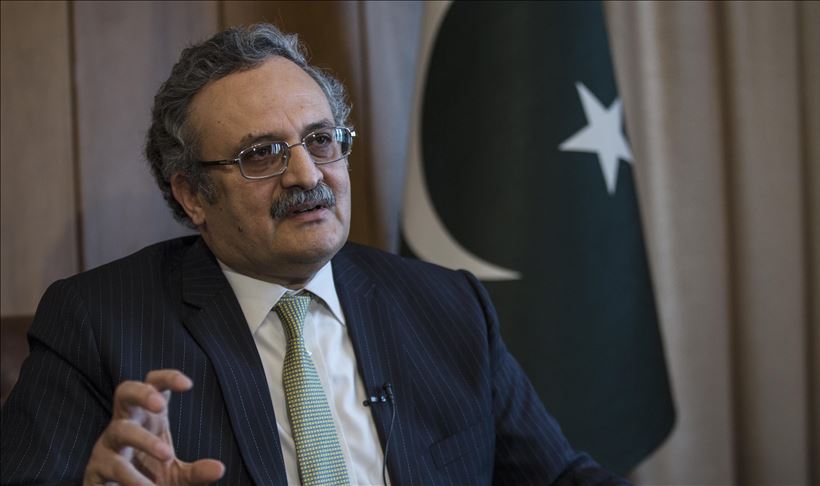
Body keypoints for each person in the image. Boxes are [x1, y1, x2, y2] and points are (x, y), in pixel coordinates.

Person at [0, 24, 628, 486]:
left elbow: (555, 476)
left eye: (321, 140)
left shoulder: (447, 305)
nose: (307, 175)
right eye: (261, 154)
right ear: (192, 194)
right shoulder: (98, 323)